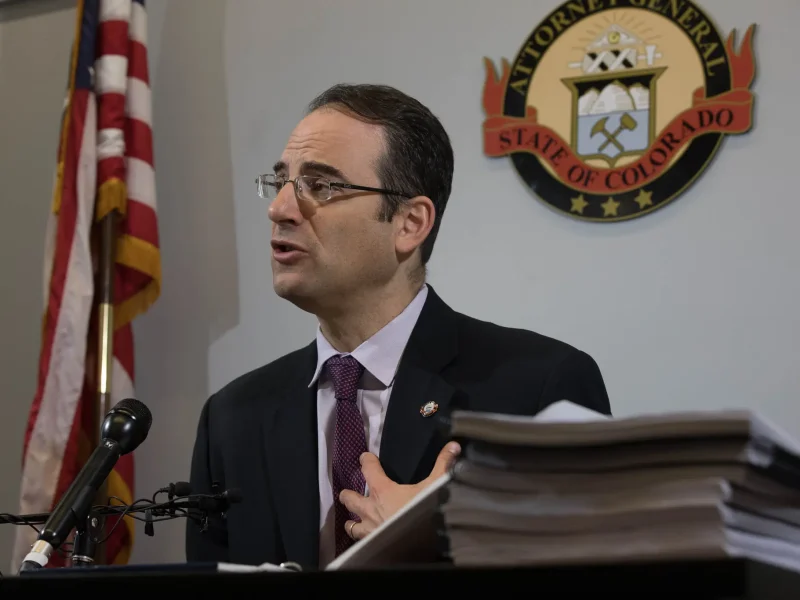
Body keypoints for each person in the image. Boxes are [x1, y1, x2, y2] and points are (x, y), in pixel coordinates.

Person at [185, 83, 612, 570]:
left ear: (410, 223)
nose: (279, 209)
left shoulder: (540, 390)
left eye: (320, 185)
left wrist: (444, 541)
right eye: (281, 181)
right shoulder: (233, 418)